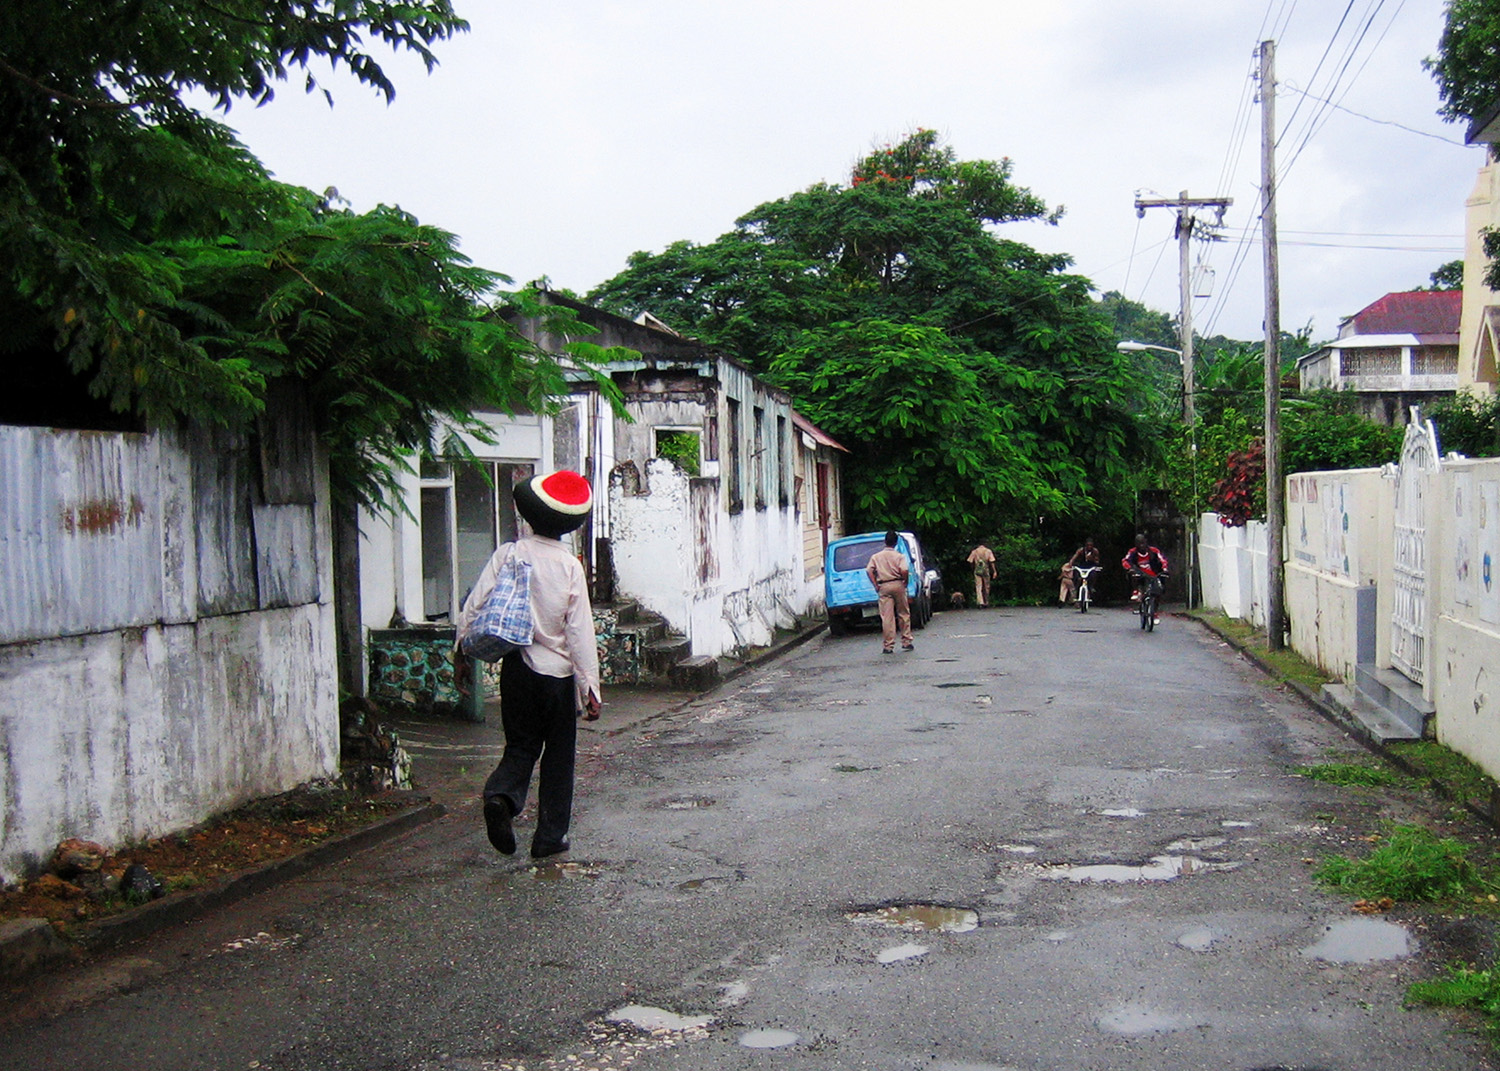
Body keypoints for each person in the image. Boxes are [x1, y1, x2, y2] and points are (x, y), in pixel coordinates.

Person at [456, 470, 601, 859]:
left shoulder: (509, 553)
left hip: (517, 668)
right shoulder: (569, 566)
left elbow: (475, 605)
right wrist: (591, 689)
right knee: (558, 758)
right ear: (568, 524)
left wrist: (461, 649)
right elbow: (579, 633)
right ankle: (549, 837)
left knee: (520, 746)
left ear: (528, 515)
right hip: (557, 676)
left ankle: (501, 798)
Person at [866, 530, 914, 653]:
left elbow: (869, 570)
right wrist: (905, 581)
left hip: (884, 585)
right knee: (903, 613)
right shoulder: (899, 556)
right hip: (898, 583)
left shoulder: (876, 557)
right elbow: (904, 570)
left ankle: (888, 645)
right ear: (896, 543)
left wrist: (875, 584)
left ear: (885, 542)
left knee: (887, 617)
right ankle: (906, 641)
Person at [1121, 534, 1170, 623]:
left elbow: (1163, 560)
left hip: (1153, 574)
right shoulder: (1132, 552)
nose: (1142, 546)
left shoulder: (1154, 551)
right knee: (1134, 576)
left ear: (1146, 542)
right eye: (1139, 544)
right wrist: (1129, 568)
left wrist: (1165, 569)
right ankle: (1136, 591)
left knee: (1157, 591)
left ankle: (1154, 612)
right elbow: (1125, 560)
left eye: (1143, 543)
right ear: (1136, 544)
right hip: (1139, 574)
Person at [1063, 538, 1101, 604]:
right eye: (1088, 545)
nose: (1089, 547)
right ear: (1085, 545)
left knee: (1093, 575)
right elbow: (1074, 557)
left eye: (1091, 545)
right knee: (1078, 577)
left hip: (1091, 567)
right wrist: (1070, 563)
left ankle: (1091, 587)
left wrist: (1092, 559)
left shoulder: (1095, 551)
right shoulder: (1081, 550)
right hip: (1082, 566)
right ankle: (1076, 591)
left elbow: (1097, 561)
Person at [966, 541, 997, 608]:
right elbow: (992, 562)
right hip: (986, 570)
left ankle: (980, 602)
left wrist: (973, 567)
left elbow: (970, 561)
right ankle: (986, 601)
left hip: (977, 570)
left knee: (978, 586)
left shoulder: (974, 551)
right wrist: (994, 571)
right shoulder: (988, 551)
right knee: (986, 586)